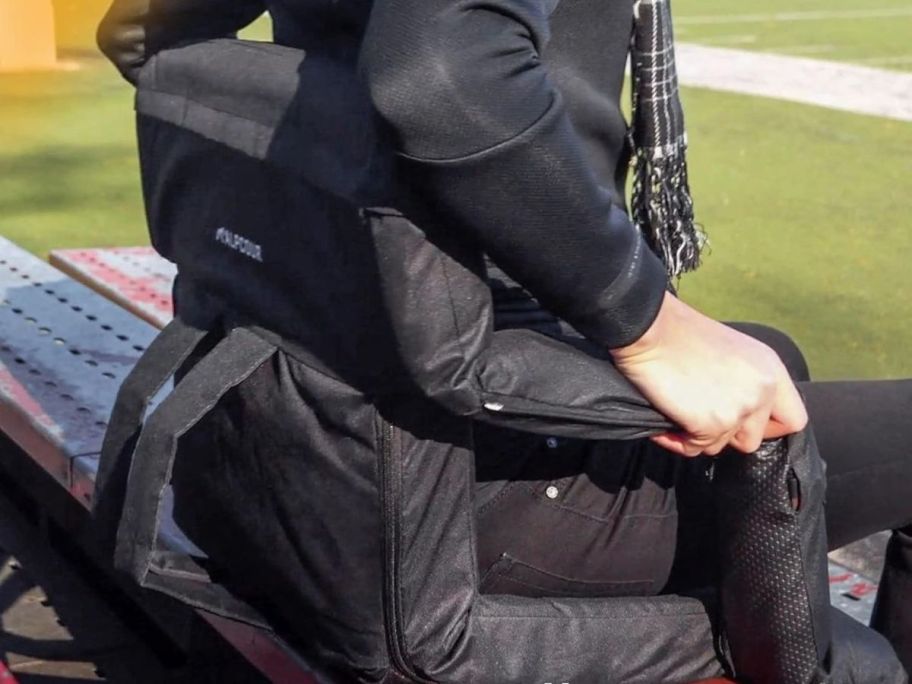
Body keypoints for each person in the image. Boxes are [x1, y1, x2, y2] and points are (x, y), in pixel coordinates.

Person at [97, 0, 912, 673]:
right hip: (448, 485)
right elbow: (439, 72)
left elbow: (143, 30)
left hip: (280, 438)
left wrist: (332, 230)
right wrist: (648, 326)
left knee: (774, 358)